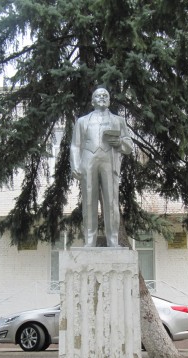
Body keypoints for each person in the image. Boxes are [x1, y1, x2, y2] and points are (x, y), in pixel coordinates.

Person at [70, 87, 133, 247]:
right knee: (89, 202)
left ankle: (113, 241)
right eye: (98, 95)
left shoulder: (118, 121)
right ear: (92, 101)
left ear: (109, 100)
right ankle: (89, 241)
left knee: (111, 202)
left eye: (105, 95)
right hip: (88, 161)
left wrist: (119, 142)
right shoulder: (82, 121)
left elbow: (129, 145)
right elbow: (75, 145)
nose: (102, 97)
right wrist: (75, 164)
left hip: (109, 161)